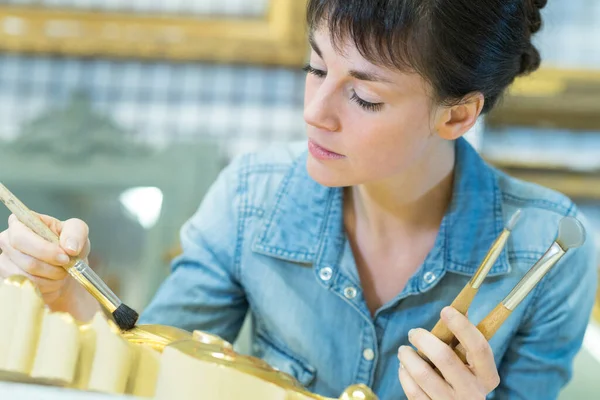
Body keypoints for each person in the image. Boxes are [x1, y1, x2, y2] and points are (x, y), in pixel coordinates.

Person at [0, 0, 597, 398]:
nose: (315, 113)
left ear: (458, 113)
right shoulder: (251, 197)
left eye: (364, 97)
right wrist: (63, 299)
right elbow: (155, 363)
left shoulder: (547, 250)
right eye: (315, 69)